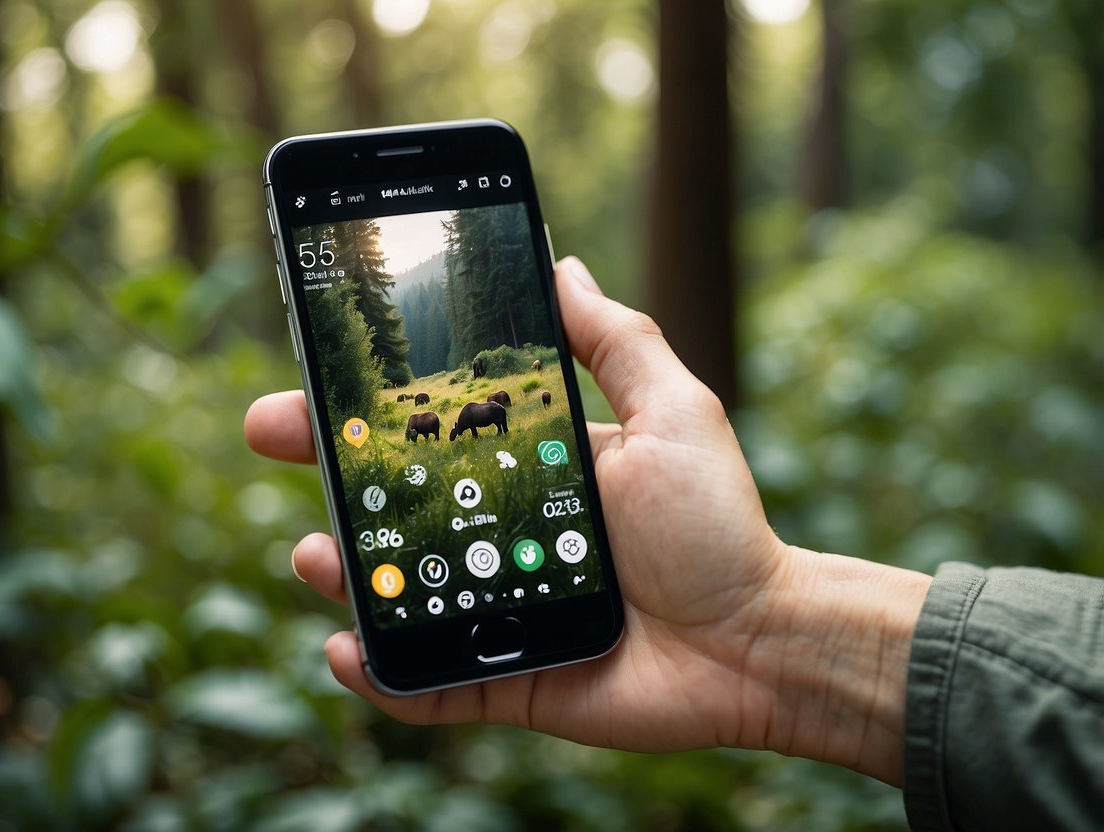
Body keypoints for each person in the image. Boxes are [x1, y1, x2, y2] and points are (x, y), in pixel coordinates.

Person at [245, 256, 1104, 830]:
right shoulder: (449, 421)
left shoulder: (487, 407)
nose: (481, 413)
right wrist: (767, 627)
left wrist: (761, 625)